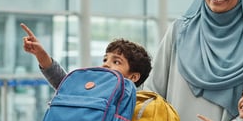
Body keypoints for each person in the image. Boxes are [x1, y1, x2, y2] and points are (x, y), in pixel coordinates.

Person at [20, 24, 151, 89]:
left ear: (133, 77)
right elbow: (63, 82)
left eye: (116, 62)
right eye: (105, 59)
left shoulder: (137, 106)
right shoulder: (92, 88)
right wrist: (40, 54)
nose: (105, 64)